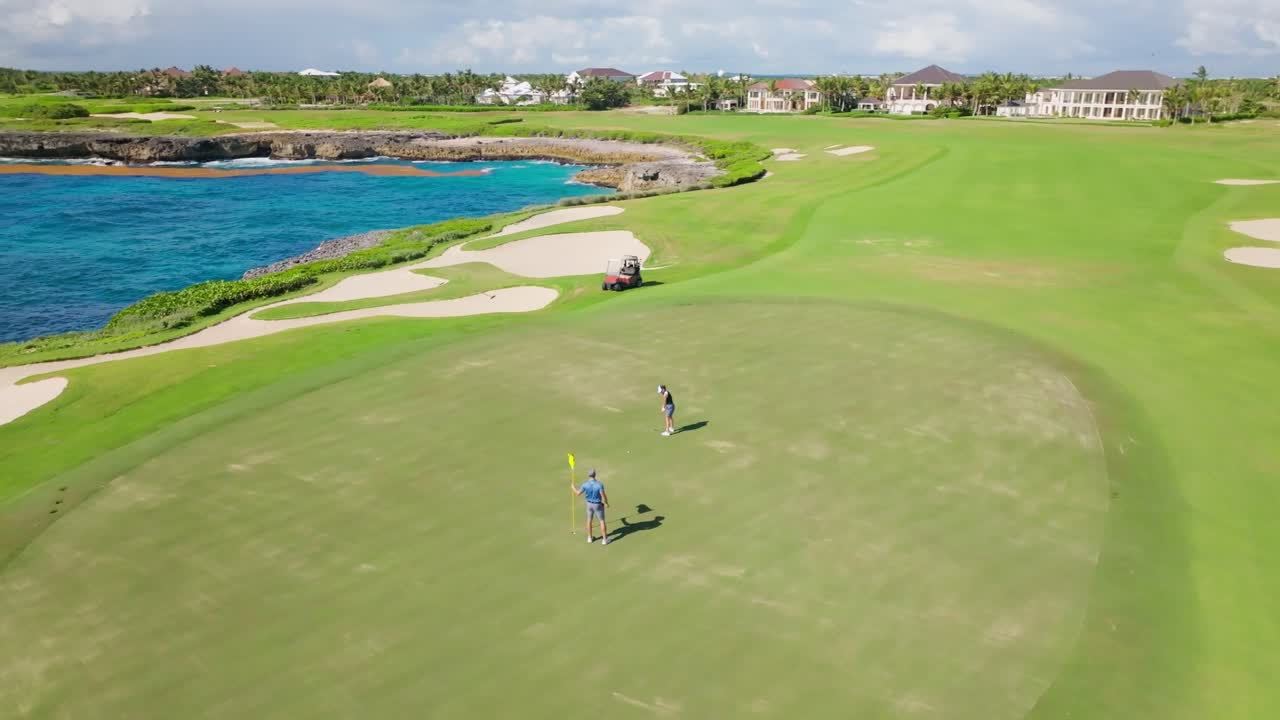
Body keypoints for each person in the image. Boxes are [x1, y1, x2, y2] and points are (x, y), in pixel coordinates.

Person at [572, 469, 610, 545]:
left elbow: (577, 493)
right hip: (598, 505)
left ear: (588, 475)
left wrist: (572, 487)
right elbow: (603, 495)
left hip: (589, 505)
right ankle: (604, 540)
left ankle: (589, 538)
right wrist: (606, 503)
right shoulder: (599, 484)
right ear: (595, 474)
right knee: (602, 521)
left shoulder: (585, 484)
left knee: (589, 520)